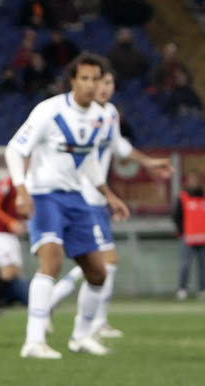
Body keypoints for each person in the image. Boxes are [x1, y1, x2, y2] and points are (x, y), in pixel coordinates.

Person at [4, 52, 130, 360]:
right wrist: (22, 191)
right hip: (45, 195)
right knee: (52, 260)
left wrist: (108, 194)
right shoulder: (50, 111)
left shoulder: (100, 117)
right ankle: (33, 341)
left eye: (95, 79)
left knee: (99, 273)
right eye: (84, 78)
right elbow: (14, 149)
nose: (90, 85)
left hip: (78, 198)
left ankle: (80, 336)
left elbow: (85, 159)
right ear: (73, 81)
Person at [49, 65, 172, 335]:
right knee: (106, 262)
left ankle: (70, 311)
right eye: (99, 81)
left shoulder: (110, 114)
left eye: (109, 83)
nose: (103, 88)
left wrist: (149, 163)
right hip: (83, 195)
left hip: (99, 198)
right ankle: (89, 323)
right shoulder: (76, 113)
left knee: (101, 264)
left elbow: (120, 147)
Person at [0, 177, 29, 306]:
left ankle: (6, 302)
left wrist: (24, 221)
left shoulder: (28, 184)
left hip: (10, 235)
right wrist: (11, 222)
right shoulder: (7, 183)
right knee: (7, 271)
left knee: (16, 271)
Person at [173, 172, 205, 300]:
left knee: (203, 266)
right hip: (188, 237)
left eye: (195, 181)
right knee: (185, 265)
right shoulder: (183, 197)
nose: (194, 184)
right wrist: (181, 232)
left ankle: (202, 289)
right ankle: (182, 289)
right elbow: (177, 216)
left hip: (203, 237)